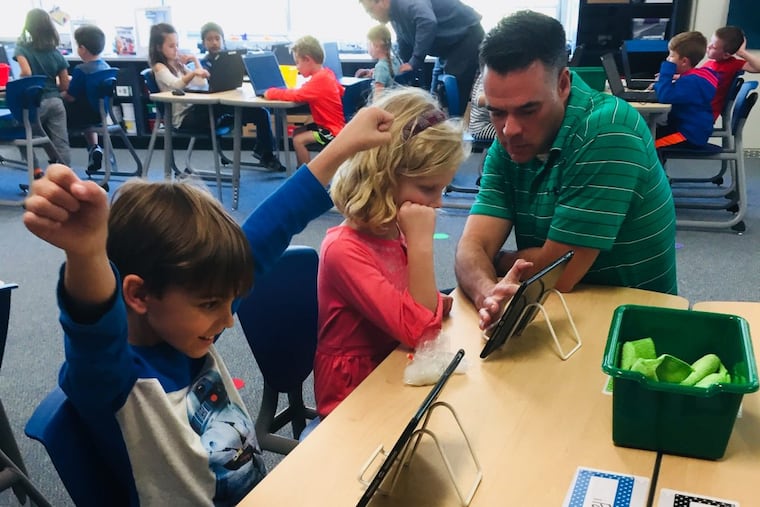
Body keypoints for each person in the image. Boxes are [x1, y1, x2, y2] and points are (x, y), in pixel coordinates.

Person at [21, 105, 394, 505]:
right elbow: (93, 326)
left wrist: (344, 145)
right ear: (139, 295)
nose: (227, 320)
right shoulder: (114, 379)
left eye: (229, 300)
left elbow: (275, 224)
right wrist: (87, 253)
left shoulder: (186, 320)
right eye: (213, 304)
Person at [454, 11, 678, 332]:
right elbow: (470, 247)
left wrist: (496, 261)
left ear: (562, 84)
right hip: (551, 309)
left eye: (528, 109)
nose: (509, 130)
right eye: (497, 111)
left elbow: (562, 273)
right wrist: (488, 293)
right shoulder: (509, 144)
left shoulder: (607, 129)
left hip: (632, 324)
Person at [313, 87, 469, 419]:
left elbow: (416, 308)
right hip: (353, 399)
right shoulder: (344, 250)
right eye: (428, 188)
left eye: (442, 189)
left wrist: (469, 301)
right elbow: (422, 333)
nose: (438, 202)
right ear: (382, 176)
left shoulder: (392, 229)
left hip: (394, 365)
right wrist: (421, 244)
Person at [149, 23, 285, 172]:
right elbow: (176, 85)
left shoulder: (179, 65)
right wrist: (193, 73)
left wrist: (194, 62)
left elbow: (201, 84)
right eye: (171, 46)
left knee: (260, 112)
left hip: (201, 112)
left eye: (177, 45)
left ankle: (265, 153)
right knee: (224, 105)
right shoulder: (159, 67)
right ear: (158, 47)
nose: (176, 49)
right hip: (185, 118)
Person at [358, 0, 485, 114]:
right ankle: (438, 127)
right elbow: (404, 41)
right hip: (447, 46)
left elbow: (427, 21)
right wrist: (399, 66)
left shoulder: (406, 3)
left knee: (450, 96)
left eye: (370, 10)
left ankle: (451, 132)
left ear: (382, 2)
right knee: (433, 98)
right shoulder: (395, 16)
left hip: (465, 35)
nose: (371, 16)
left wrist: (415, 61)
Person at [199, 22, 284, 171]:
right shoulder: (202, 63)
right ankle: (265, 153)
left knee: (262, 112)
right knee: (261, 112)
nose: (214, 42)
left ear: (223, 40)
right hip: (214, 109)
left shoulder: (232, 58)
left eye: (217, 38)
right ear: (203, 43)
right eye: (209, 39)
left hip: (231, 102)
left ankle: (265, 153)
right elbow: (201, 85)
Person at [264, 35, 345, 166]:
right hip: (331, 125)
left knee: (298, 140)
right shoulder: (327, 74)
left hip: (331, 131)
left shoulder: (319, 80)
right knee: (297, 132)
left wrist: (271, 92)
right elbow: (340, 90)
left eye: (298, 62)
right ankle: (302, 169)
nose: (297, 67)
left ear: (307, 59)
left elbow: (296, 95)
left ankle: (306, 177)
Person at [14, 8, 71, 172]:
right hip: (55, 101)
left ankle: (36, 171)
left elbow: (26, 73)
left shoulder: (22, 49)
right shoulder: (55, 52)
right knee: (61, 140)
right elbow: (65, 85)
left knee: (22, 131)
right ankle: (64, 174)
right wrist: (53, 90)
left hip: (35, 103)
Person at [654, 31, 718, 150]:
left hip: (688, 134)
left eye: (672, 56)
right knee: (646, 135)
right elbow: (666, 91)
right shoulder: (695, 77)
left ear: (684, 61)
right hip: (688, 129)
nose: (668, 59)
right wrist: (658, 84)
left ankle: (655, 168)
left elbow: (665, 96)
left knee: (647, 145)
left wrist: (667, 70)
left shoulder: (691, 82)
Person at [62, 24, 109, 174]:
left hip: (80, 116)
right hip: (100, 114)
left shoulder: (81, 70)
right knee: (86, 109)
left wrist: (59, 94)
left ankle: (57, 160)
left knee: (55, 108)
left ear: (82, 48)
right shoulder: (106, 67)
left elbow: (70, 96)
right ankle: (94, 148)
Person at [701, 26, 760, 120]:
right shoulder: (709, 64)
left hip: (704, 113)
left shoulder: (732, 64)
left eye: (714, 47)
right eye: (711, 42)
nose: (708, 46)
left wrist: (742, 53)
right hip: (696, 108)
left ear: (726, 55)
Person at [355, 24, 402, 99]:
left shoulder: (381, 67)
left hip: (386, 105)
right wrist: (373, 73)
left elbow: (377, 100)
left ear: (376, 46)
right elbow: (388, 75)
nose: (367, 48)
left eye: (368, 44)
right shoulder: (397, 60)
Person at [467, 69, 496, 141]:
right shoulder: (490, 72)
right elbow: (479, 100)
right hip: (482, 127)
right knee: (519, 135)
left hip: (494, 123)